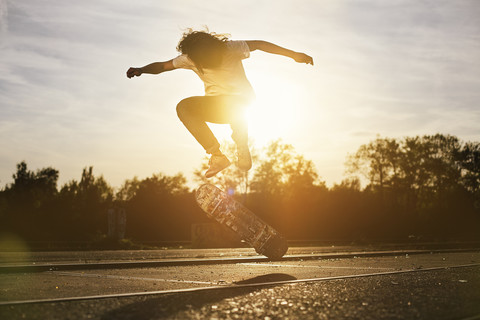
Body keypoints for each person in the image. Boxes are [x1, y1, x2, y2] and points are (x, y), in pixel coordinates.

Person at [127, 29, 313, 178]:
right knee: (183, 107)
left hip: (243, 102)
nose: (209, 62)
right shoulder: (190, 59)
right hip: (216, 106)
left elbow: (260, 45)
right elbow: (162, 66)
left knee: (236, 105)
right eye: (204, 61)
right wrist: (141, 70)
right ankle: (217, 156)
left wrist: (294, 55)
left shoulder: (231, 48)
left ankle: (241, 145)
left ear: (215, 49)